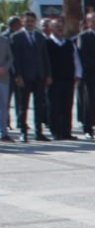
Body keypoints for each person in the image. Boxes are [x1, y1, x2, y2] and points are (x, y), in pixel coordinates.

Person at [11, 11, 52, 142]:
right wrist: (17, 75)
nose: (30, 23)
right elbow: (15, 59)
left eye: (32, 21)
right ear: (23, 22)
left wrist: (48, 74)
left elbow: (45, 57)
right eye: (27, 21)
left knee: (39, 105)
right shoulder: (16, 37)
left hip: (39, 76)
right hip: (24, 77)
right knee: (23, 106)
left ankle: (39, 132)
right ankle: (23, 132)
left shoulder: (40, 37)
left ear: (35, 22)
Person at [45, 17, 79, 140]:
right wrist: (46, 76)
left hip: (68, 79)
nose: (59, 28)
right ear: (51, 28)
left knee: (67, 106)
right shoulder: (47, 43)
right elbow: (44, 61)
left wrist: (78, 75)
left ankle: (66, 132)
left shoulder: (69, 43)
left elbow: (76, 60)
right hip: (53, 80)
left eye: (61, 26)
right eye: (56, 26)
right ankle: (55, 132)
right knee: (54, 106)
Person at [0, 25, 12, 142]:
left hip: (3, 78)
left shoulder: (4, 41)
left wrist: (5, 67)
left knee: (3, 107)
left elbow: (10, 58)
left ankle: (3, 132)